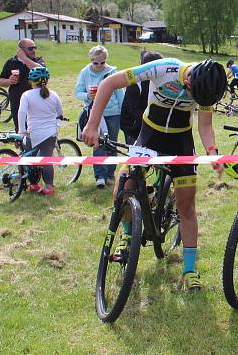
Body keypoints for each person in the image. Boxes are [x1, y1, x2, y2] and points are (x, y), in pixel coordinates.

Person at [82, 58, 227, 291]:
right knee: (124, 187)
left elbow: (205, 125)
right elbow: (109, 83)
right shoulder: (163, 68)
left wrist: (212, 151)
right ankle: (127, 237)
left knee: (186, 205)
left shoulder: (206, 87)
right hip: (150, 135)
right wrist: (92, 124)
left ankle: (190, 269)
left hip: (181, 141)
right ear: (188, 80)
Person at [74, 46, 124, 188]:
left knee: (112, 144)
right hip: (95, 114)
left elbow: (120, 95)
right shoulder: (85, 72)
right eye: (96, 63)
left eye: (102, 63)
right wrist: (87, 96)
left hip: (113, 113)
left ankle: (110, 174)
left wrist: (123, 112)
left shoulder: (113, 72)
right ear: (91, 60)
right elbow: (77, 91)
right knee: (97, 144)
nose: (99, 66)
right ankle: (100, 176)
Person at [18, 67, 63, 196]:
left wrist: (21, 130)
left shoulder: (26, 95)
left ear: (31, 81)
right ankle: (49, 186)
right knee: (46, 160)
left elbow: (22, 113)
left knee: (29, 159)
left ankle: (33, 184)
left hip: (32, 132)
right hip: (49, 134)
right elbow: (59, 112)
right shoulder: (53, 94)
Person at [0, 39, 45, 131]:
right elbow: (0, 81)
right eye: (31, 48)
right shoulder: (11, 62)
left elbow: (41, 70)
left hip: (35, 102)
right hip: (17, 103)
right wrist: (9, 81)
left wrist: (24, 58)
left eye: (35, 48)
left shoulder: (38, 60)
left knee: (35, 130)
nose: (34, 50)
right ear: (21, 50)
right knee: (20, 131)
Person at [120, 50, 163, 145]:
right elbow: (134, 109)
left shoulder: (160, 81)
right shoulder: (135, 83)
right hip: (133, 127)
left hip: (152, 126)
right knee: (136, 155)